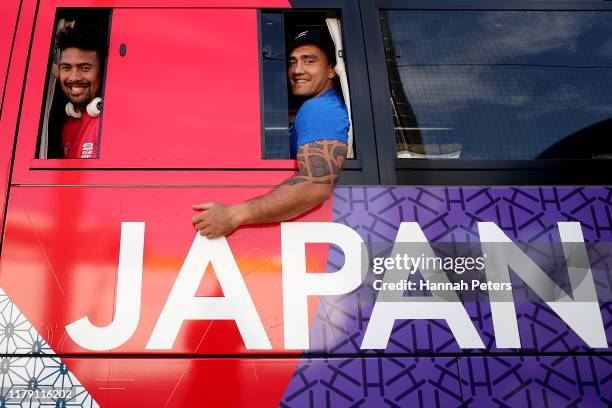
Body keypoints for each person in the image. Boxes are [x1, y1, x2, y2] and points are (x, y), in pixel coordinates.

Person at [192, 29, 349, 238]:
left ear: (331, 70)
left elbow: (315, 184)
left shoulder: (318, 109)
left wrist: (234, 215)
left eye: (309, 61)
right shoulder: (323, 105)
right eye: (292, 62)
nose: (297, 70)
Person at [56, 25, 104, 159]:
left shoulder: (108, 125)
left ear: (102, 72)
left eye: (84, 68)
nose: (73, 77)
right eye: (66, 68)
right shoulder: (68, 128)